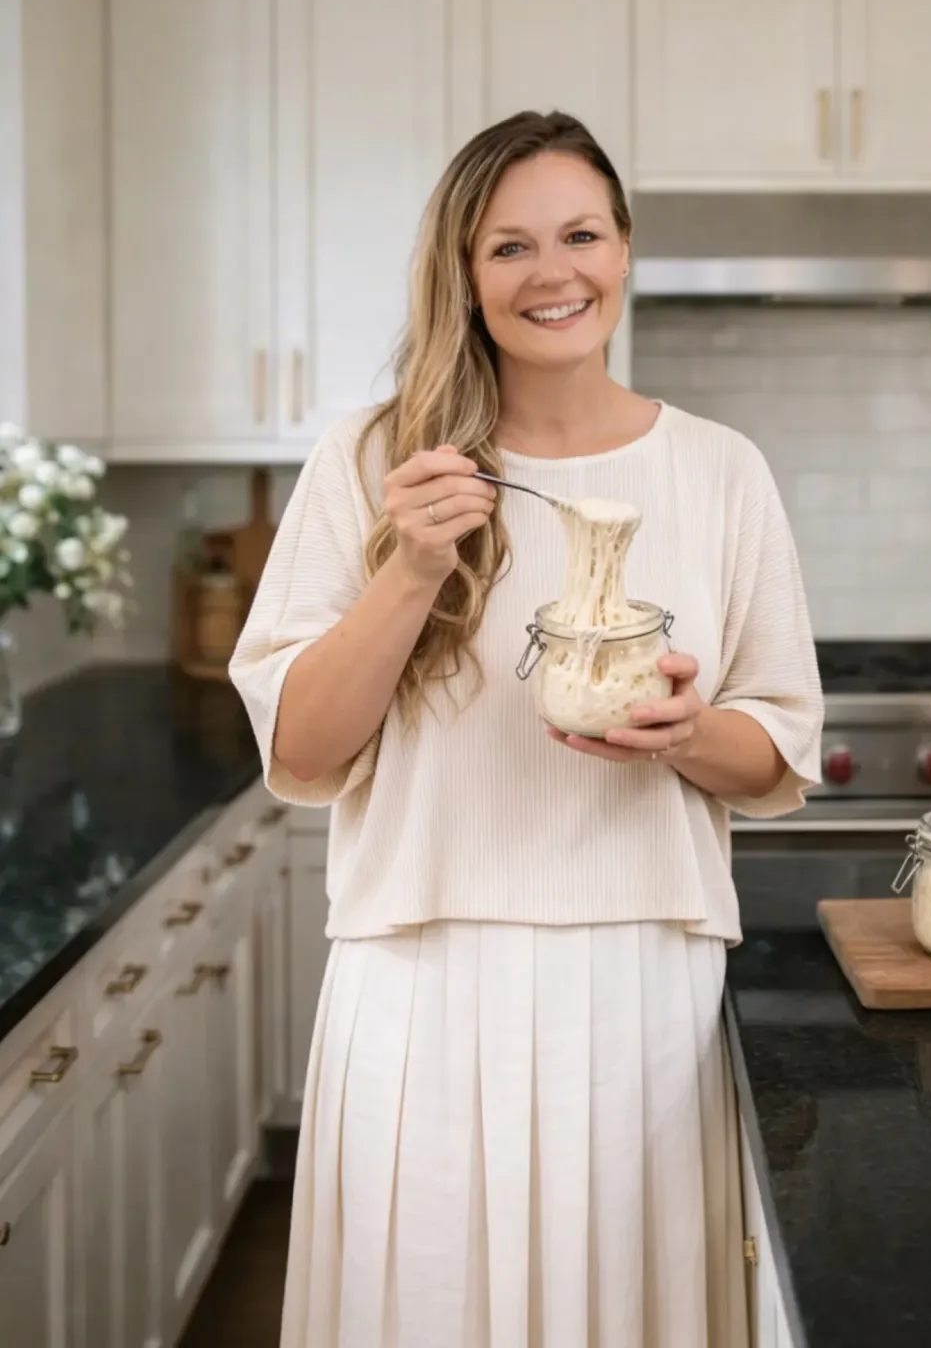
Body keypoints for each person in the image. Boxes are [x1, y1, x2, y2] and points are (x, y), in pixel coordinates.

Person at [230, 109, 824, 1348]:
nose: (554, 273)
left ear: (624, 248)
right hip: (421, 982)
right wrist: (410, 568)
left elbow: (775, 753)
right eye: (509, 247)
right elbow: (300, 756)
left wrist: (683, 730)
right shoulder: (376, 460)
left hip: (642, 982)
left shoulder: (722, 470)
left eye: (581, 234)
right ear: (464, 272)